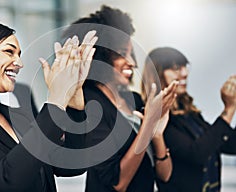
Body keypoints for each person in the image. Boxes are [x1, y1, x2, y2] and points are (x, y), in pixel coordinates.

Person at [0, 21, 97, 192]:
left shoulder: (19, 117)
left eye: (18, 54)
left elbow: (71, 164)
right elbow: (8, 177)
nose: (19, 63)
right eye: (9, 52)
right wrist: (56, 100)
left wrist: (73, 104)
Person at [63, 5, 178, 192]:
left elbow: (164, 175)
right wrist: (148, 125)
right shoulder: (90, 103)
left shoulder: (134, 99)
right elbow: (117, 183)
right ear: (100, 56)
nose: (132, 62)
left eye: (130, 53)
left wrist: (156, 134)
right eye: (121, 53)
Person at [141, 47, 236, 192]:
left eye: (185, 67)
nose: (185, 73)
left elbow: (226, 144)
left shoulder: (189, 113)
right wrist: (228, 110)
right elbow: (197, 154)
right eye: (176, 68)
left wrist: (233, 106)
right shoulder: (158, 118)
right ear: (158, 74)